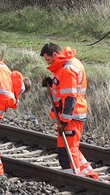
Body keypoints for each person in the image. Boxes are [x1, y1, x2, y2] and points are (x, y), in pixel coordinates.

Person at [40, 43, 99, 179]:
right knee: (71, 148)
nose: (48, 63)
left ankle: (73, 180)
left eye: (48, 59)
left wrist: (64, 121)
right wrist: (52, 82)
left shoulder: (67, 69)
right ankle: (89, 174)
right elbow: (64, 90)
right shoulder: (70, 64)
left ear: (55, 55)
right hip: (73, 114)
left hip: (71, 116)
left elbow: (70, 97)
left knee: (67, 152)